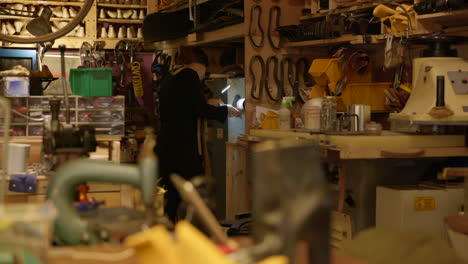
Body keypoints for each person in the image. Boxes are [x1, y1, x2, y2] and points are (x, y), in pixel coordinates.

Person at [156, 47, 241, 222]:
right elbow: (198, 109)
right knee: (194, 188)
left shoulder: (172, 75)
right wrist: (226, 110)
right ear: (200, 66)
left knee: (173, 193)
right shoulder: (190, 75)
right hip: (180, 146)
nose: (203, 77)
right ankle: (191, 230)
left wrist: (208, 102)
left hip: (167, 143)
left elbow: (185, 104)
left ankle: (174, 230)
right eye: (205, 72)